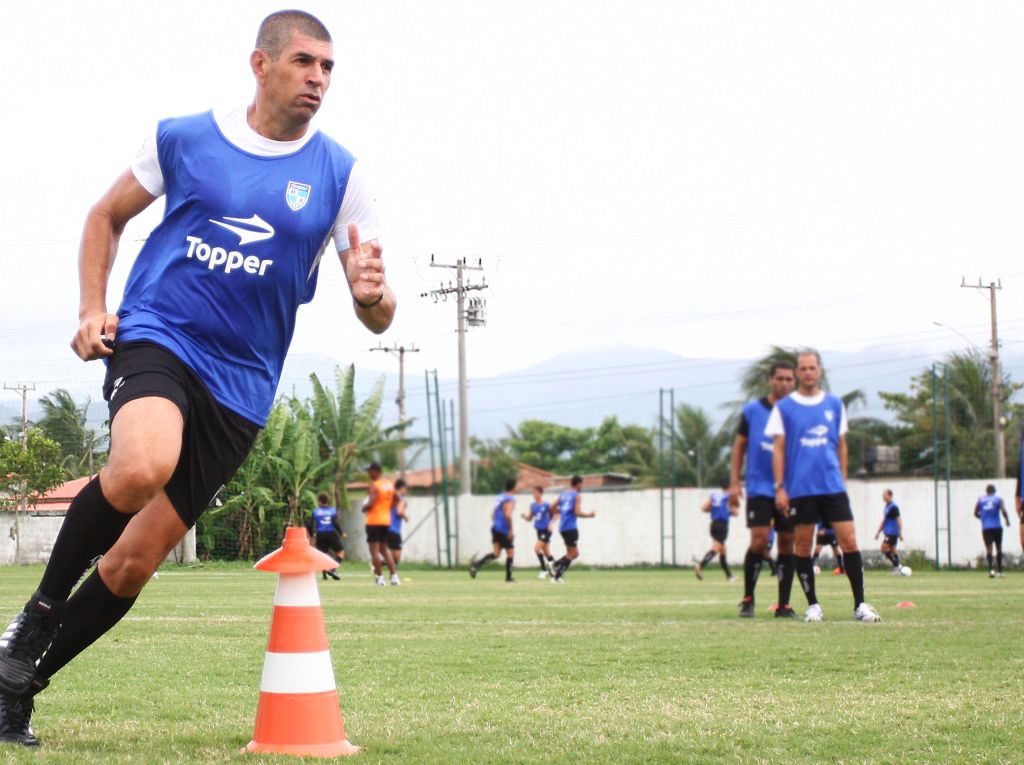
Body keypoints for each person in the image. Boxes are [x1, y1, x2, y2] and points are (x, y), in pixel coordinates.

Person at [0, 10, 394, 748]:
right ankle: (35, 617)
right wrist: (92, 307)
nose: (318, 79)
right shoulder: (185, 137)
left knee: (133, 559)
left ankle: (15, 686)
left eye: (329, 68)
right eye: (305, 62)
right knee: (144, 462)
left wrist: (375, 297)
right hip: (161, 335)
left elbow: (376, 309)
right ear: (261, 64)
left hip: (242, 387)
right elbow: (104, 215)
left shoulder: (341, 173)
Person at [767, 350, 881, 623]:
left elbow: (841, 445)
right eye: (803, 368)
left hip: (832, 487)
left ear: (820, 371)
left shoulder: (833, 404)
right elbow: (779, 449)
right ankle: (813, 605)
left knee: (849, 541)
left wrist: (841, 479)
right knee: (804, 546)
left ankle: (860, 604)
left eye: (812, 368)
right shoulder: (784, 408)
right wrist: (780, 487)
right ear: (797, 373)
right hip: (801, 489)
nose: (807, 372)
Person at [729, 361, 797, 618]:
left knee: (788, 542)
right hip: (758, 487)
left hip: (790, 489)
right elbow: (739, 448)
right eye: (780, 378)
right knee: (759, 540)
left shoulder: (798, 411)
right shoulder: (753, 410)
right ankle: (748, 598)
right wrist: (734, 483)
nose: (784, 383)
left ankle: (784, 604)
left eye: (789, 380)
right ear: (770, 380)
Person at [550, 476, 596, 583]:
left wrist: (562, 511)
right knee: (572, 554)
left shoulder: (563, 494)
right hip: (571, 527)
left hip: (562, 527)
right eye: (581, 484)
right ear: (578, 484)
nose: (582, 486)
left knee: (574, 553)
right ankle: (556, 576)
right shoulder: (577, 496)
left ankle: (555, 564)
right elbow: (577, 512)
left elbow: (552, 508)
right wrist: (589, 515)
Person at [469, 479, 517, 582]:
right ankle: (508, 578)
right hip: (503, 530)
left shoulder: (500, 497)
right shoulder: (510, 499)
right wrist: (510, 530)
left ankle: (476, 565)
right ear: (513, 488)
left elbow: (492, 514)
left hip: (495, 528)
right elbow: (507, 515)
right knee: (510, 553)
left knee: (496, 554)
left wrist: (497, 524)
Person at [364, 462, 400, 586]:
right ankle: (394, 577)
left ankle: (380, 579)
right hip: (385, 521)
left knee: (374, 551)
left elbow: (371, 502)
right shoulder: (389, 485)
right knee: (384, 549)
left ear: (376, 471)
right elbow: (397, 499)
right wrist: (388, 508)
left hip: (373, 521)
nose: (368, 473)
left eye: (370, 471)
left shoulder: (374, 485)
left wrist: (364, 507)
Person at [695, 481, 739, 582]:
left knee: (723, 550)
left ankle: (729, 576)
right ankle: (700, 566)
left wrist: (716, 510)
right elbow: (736, 513)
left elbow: (704, 508)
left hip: (713, 524)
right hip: (722, 525)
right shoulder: (729, 497)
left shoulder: (714, 496)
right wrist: (728, 512)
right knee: (716, 549)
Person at [307, 492, 345, 580]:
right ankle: (332, 569)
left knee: (323, 554)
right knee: (340, 552)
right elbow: (335, 523)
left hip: (320, 534)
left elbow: (310, 524)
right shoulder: (332, 510)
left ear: (319, 501)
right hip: (331, 533)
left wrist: (312, 535)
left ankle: (324, 576)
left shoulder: (316, 511)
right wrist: (341, 533)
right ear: (327, 501)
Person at [974, 484, 1010, 578]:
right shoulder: (998, 499)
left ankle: (991, 571)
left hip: (986, 527)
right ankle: (1000, 571)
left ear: (986, 491)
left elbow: (975, 513)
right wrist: (1007, 520)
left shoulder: (980, 500)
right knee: (999, 548)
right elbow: (1003, 510)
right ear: (994, 491)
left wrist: (983, 518)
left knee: (989, 549)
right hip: (997, 526)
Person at [521, 486, 555, 578]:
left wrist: (551, 524)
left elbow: (554, 515)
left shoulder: (547, 505)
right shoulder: (533, 505)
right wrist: (524, 517)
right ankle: (556, 571)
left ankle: (544, 570)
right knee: (547, 553)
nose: (534, 495)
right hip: (539, 531)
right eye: (533, 493)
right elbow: (530, 518)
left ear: (540, 493)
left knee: (536, 548)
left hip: (546, 531)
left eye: (536, 493)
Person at [874, 489, 903, 575]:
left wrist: (900, 532)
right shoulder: (887, 506)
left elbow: (899, 520)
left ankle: (897, 565)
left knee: (883, 548)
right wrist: (878, 532)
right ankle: (897, 568)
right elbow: (885, 521)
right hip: (888, 532)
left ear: (890, 495)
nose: (883, 496)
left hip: (892, 532)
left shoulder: (894, 507)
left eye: (884, 495)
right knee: (893, 549)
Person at [387, 479, 409, 567]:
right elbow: (399, 512)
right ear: (402, 488)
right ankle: (379, 565)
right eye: (406, 489)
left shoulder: (390, 497)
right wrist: (406, 517)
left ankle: (379, 566)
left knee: (391, 553)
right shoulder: (401, 499)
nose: (406, 491)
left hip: (385, 527)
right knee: (397, 557)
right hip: (394, 529)